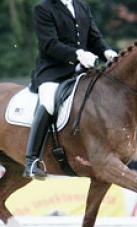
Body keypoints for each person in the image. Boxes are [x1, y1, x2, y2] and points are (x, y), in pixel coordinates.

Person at [23, 0, 118, 179]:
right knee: (49, 103)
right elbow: (49, 44)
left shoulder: (82, 6)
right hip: (53, 72)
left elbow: (93, 37)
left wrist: (106, 52)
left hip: (81, 71)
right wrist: (77, 55)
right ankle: (32, 160)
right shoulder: (43, 9)